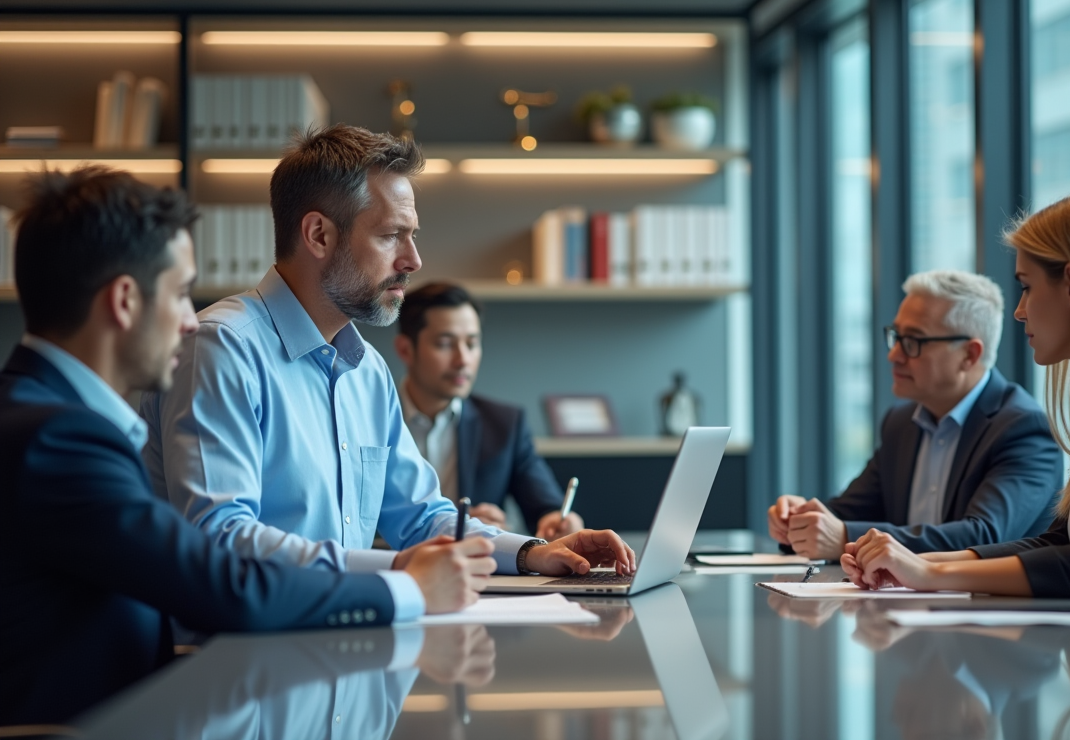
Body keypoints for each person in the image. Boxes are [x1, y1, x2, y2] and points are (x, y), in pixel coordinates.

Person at [0, 168, 494, 726]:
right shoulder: (58, 438)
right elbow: (221, 579)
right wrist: (404, 588)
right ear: (123, 301)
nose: (191, 322)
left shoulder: (43, 416)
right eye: (182, 293)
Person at [140, 126, 634, 604]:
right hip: (237, 662)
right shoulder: (222, 348)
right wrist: (397, 569)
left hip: (349, 643)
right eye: (392, 235)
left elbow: (422, 516)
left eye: (412, 235)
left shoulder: (367, 371)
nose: (414, 260)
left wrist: (532, 553)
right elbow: (222, 539)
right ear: (319, 235)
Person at [843, 190, 1070, 612]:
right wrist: (916, 562)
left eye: (1027, 288)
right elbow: (1062, 541)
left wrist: (931, 574)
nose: (1019, 311)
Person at [767, 270, 1062, 559]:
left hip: (989, 606)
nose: (894, 355)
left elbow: (983, 536)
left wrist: (845, 536)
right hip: (902, 601)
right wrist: (800, 522)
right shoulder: (901, 423)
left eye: (914, 341)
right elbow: (849, 513)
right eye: (896, 336)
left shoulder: (1022, 427)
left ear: (969, 355)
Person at [394, 282, 582, 540]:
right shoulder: (372, 419)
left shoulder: (504, 424)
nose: (463, 360)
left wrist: (558, 521)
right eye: (445, 344)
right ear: (405, 349)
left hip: (477, 573)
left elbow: (545, 506)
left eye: (472, 344)